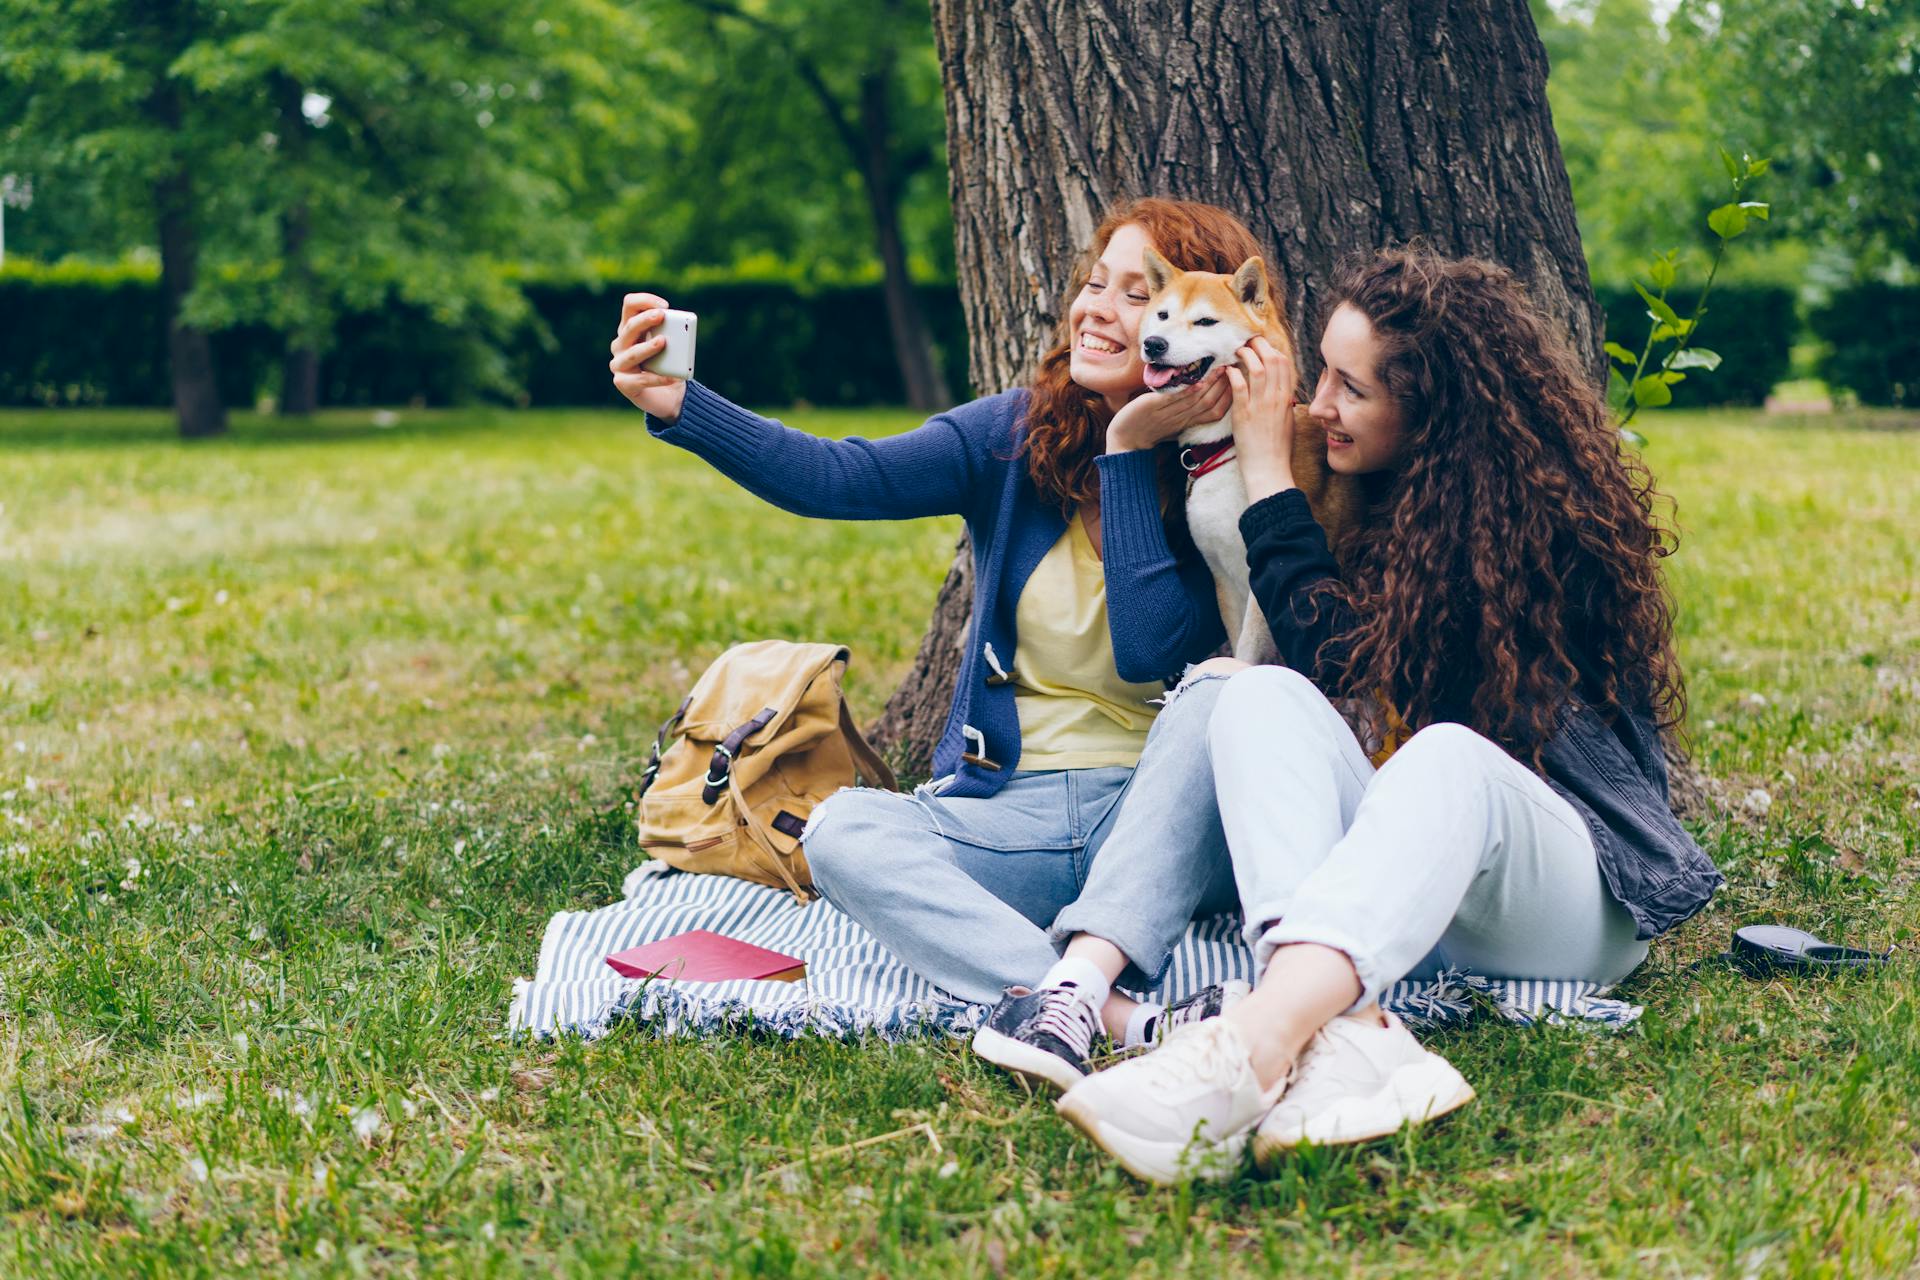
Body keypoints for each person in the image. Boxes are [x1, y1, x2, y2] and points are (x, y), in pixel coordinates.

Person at [1053, 247, 1724, 1185]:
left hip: (1573, 895)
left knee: (1447, 753)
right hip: (1413, 900)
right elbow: (1315, 681)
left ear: (1435, 415)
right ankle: (1348, 1037)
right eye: (1320, 370)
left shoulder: (1526, 530)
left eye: (1350, 388)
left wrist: (1265, 475)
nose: (1317, 403)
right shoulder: (1358, 491)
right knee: (1254, 692)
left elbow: (1356, 668)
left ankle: (1252, 1046)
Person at [610, 198, 1283, 1091]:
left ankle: (1075, 996)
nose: (1102, 309)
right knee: (845, 829)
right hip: (1013, 815)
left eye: (1142, 294)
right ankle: (1113, 1014)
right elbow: (839, 474)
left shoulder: (1239, 468)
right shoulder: (1014, 436)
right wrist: (683, 406)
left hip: (1160, 825)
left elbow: (1154, 649)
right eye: (1099, 284)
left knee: (1220, 689)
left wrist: (1127, 451)